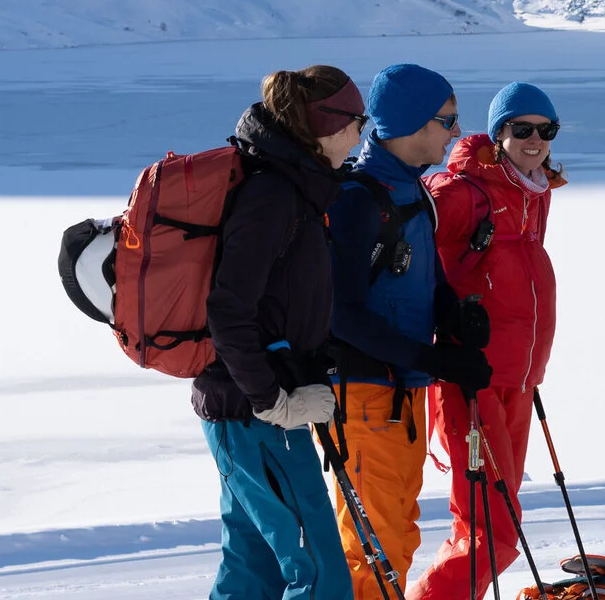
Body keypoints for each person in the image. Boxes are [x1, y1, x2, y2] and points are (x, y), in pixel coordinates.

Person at [193, 64, 366, 600]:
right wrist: (274, 401)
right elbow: (228, 309)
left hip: (245, 412)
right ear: (330, 128)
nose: (364, 133)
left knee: (253, 569)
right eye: (358, 120)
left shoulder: (295, 189)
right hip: (258, 416)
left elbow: (281, 304)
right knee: (319, 575)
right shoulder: (275, 196)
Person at [325, 63, 495, 599]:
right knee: (371, 546)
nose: (455, 134)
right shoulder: (357, 200)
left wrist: (452, 314)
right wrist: (436, 359)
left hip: (403, 393)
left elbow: (427, 276)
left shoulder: (412, 192)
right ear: (412, 123)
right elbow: (343, 316)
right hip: (366, 395)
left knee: (397, 536)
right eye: (448, 121)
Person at [412, 81, 568, 598]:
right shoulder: (460, 193)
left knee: (481, 522)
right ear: (497, 133)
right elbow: (409, 264)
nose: (534, 139)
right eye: (521, 129)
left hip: (519, 381)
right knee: (496, 534)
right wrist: (446, 334)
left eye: (545, 130)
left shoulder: (534, 194)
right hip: (470, 381)